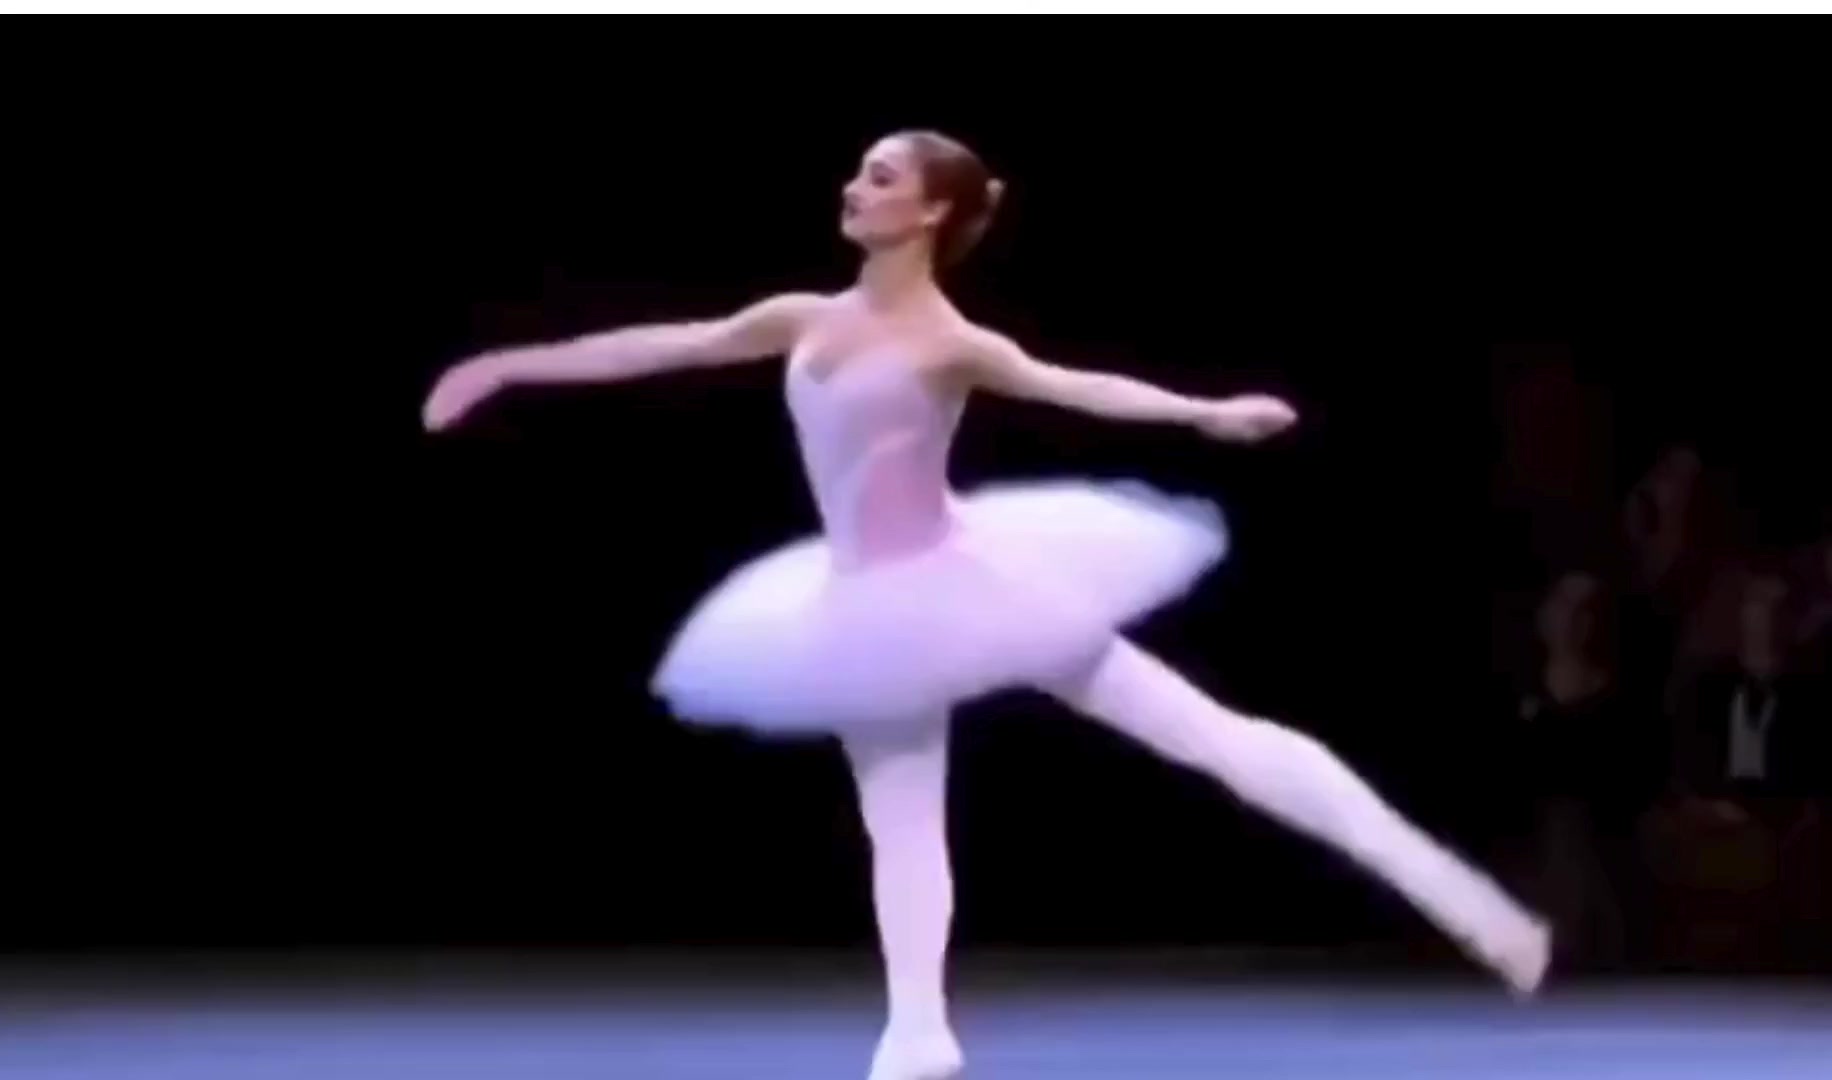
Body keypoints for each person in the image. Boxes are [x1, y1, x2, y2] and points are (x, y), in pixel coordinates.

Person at [424, 130, 1550, 1080]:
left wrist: (1205, 413)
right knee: (900, 818)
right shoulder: (802, 316)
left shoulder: (953, 341)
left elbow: (1078, 387)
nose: (853, 186)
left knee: (1208, 737)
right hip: (863, 603)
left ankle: (1462, 898)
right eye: (859, 171)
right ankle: (917, 1035)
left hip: (974, 583)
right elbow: (669, 344)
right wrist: (512, 365)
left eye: (879, 176)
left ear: (928, 213)